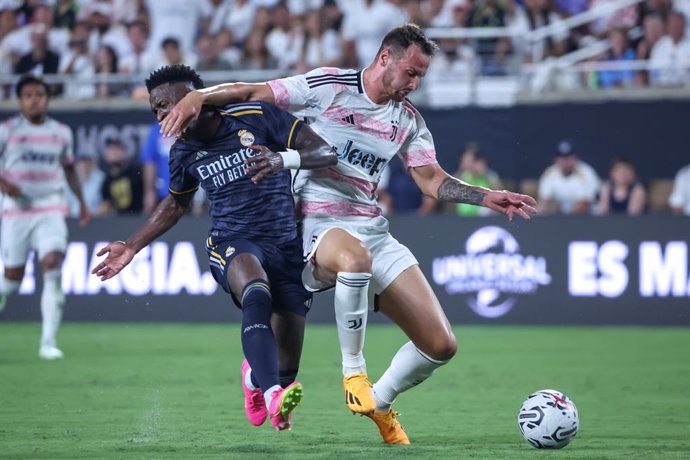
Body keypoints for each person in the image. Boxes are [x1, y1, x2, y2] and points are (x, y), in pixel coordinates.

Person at [160, 24, 537, 444]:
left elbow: (431, 180)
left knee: (441, 345)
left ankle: (377, 401)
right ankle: (353, 375)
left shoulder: (407, 119)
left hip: (371, 228)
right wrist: (200, 96)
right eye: (411, 73)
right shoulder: (329, 86)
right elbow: (253, 92)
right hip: (315, 225)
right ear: (384, 59)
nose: (415, 84)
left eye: (421, 77)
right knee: (354, 259)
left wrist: (484, 197)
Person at [91, 65, 337, 431]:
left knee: (285, 370)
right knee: (256, 291)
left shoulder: (257, 117)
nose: (161, 115)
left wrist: (280, 159)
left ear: (194, 99)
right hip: (231, 242)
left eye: (166, 104)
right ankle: (271, 395)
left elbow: (325, 153)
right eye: (155, 110)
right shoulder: (183, 153)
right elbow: (176, 204)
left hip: (285, 244)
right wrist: (131, 246)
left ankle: (257, 380)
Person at [0, 75, 90, 360]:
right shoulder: (7, 131)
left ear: (47, 99)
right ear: (20, 100)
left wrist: (82, 202)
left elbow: (69, 169)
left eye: (39, 94)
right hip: (17, 211)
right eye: (28, 95)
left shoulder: (61, 132)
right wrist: (4, 184)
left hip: (51, 206)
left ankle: (48, 343)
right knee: (12, 279)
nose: (34, 100)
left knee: (52, 266)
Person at [538, 140, 600, 215]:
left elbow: (584, 204)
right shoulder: (550, 173)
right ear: (556, 159)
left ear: (575, 158)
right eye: (562, 157)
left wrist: (564, 215)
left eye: (568, 157)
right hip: (557, 218)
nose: (565, 161)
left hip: (585, 218)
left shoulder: (586, 173)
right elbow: (544, 201)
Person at [99, 138, 144, 216]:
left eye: (118, 149)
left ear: (124, 153)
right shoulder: (106, 181)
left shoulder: (135, 173)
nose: (115, 153)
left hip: (138, 216)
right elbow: (106, 204)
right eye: (111, 150)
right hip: (119, 220)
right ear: (106, 155)